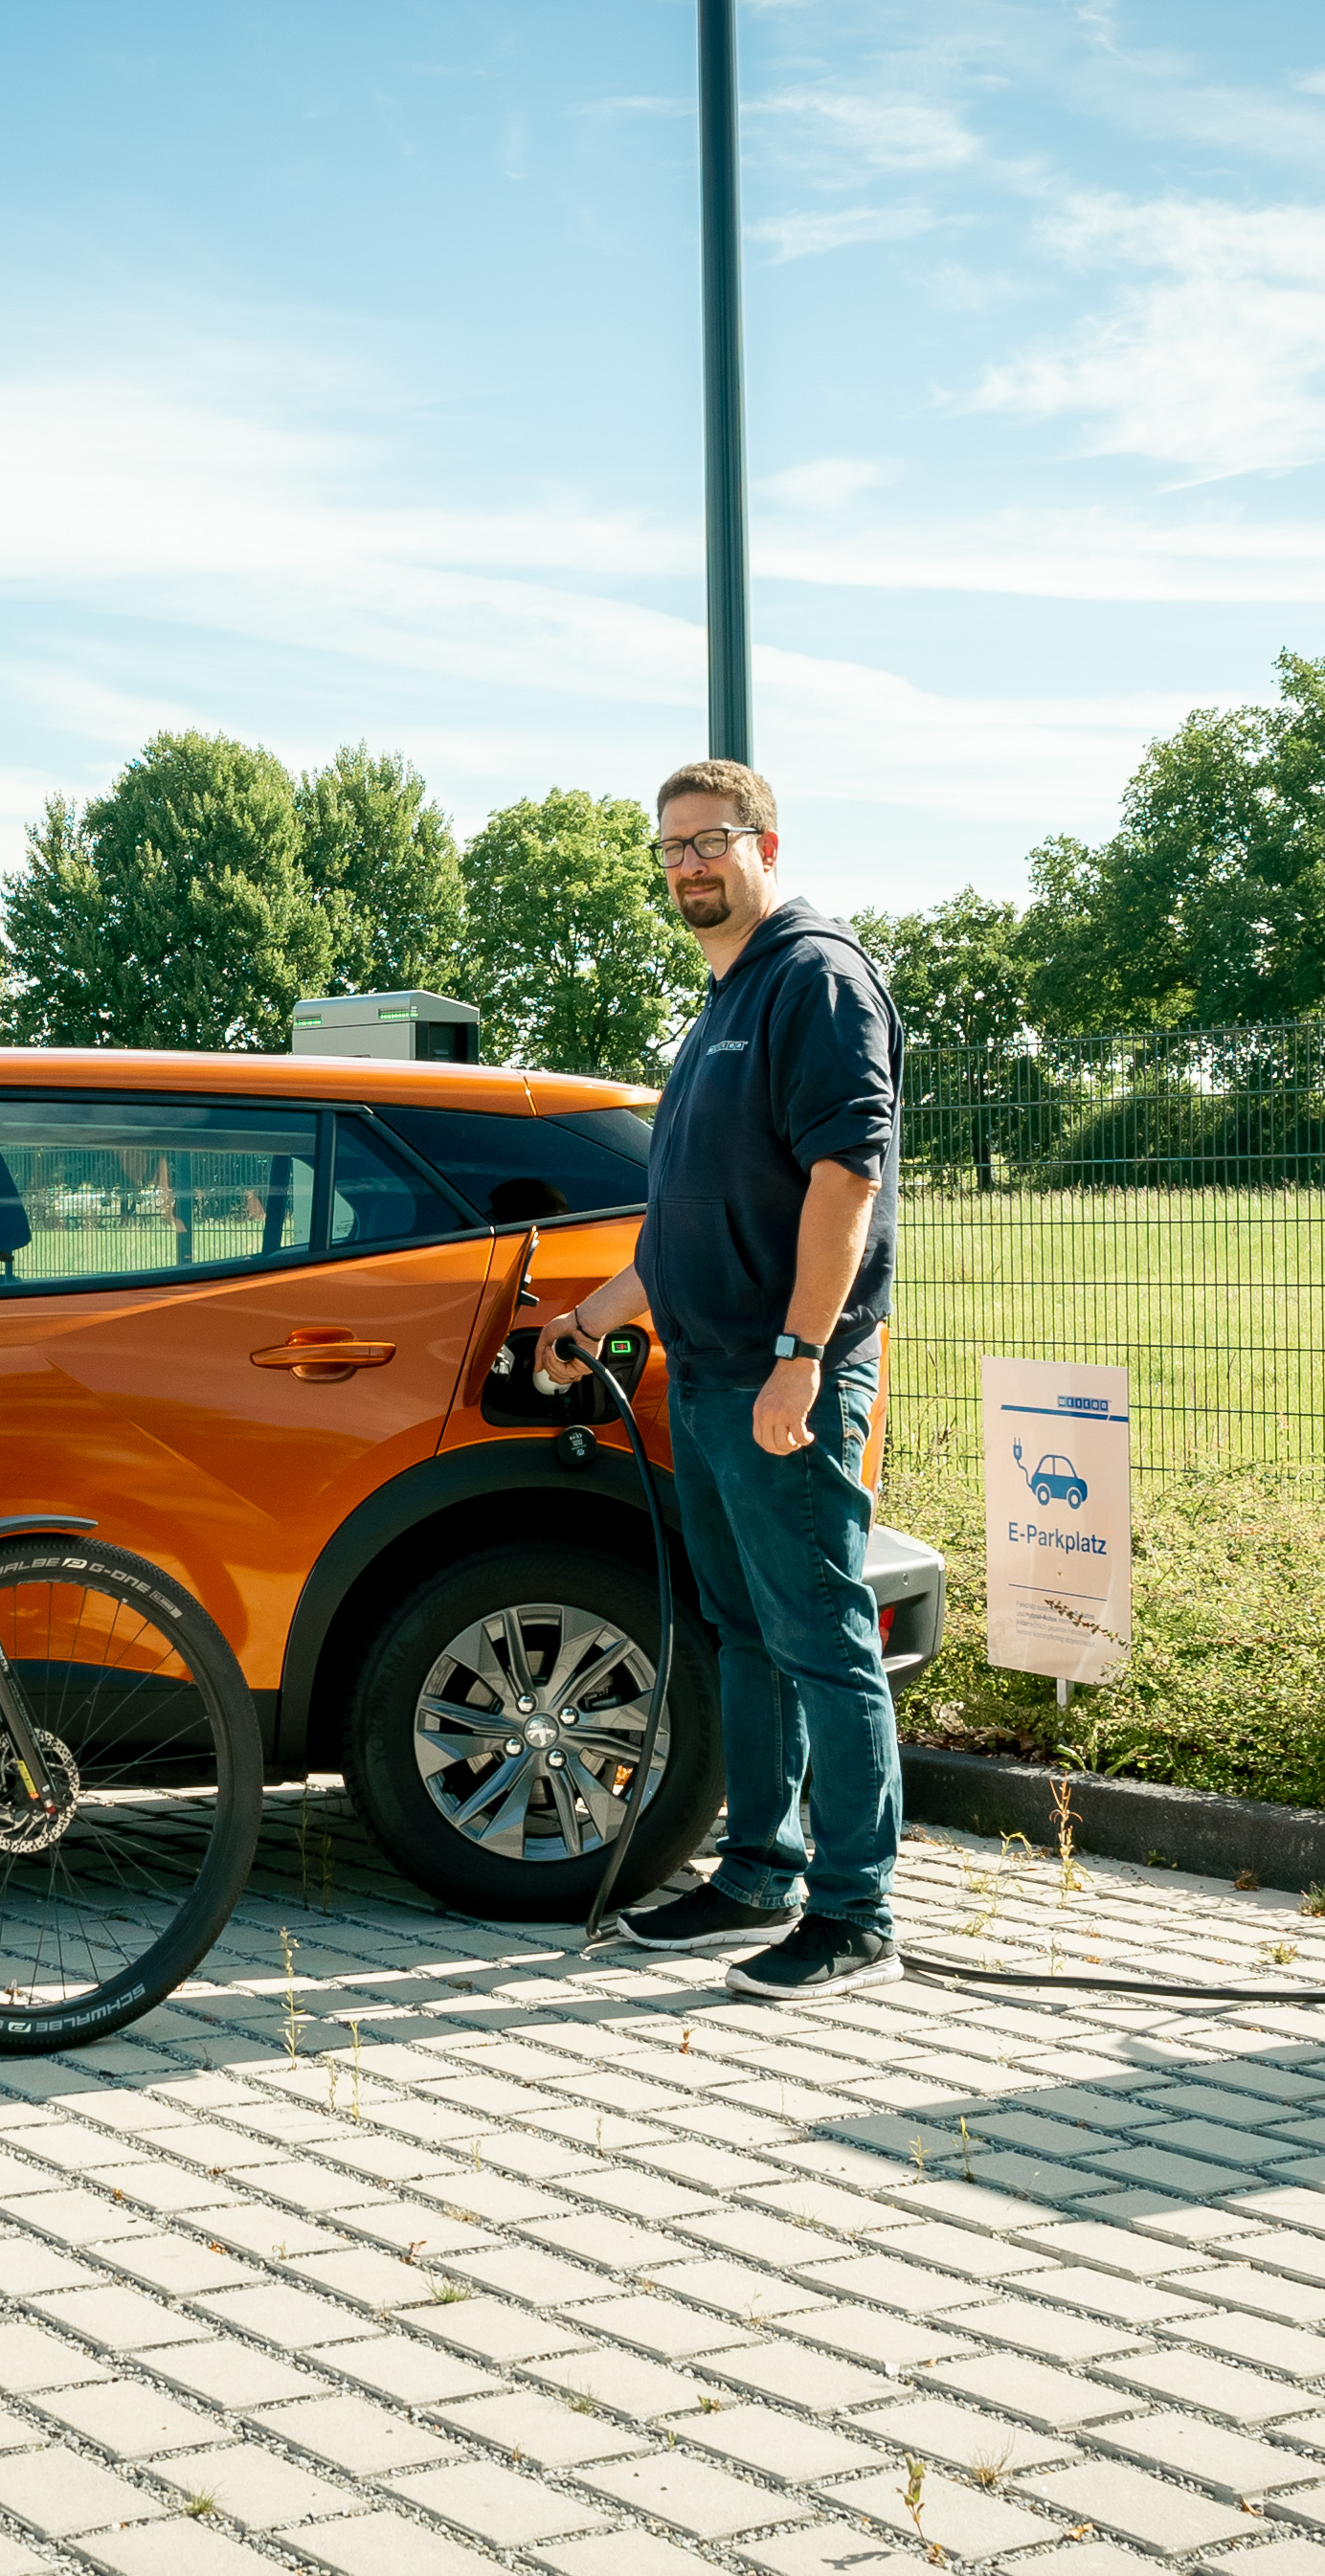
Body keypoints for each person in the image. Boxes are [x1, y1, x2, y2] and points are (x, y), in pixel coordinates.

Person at [544, 757, 908, 2000]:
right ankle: (757, 1870)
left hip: (779, 1372)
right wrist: (595, 1315)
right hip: (701, 1374)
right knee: (744, 1635)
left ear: (768, 844)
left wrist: (801, 1359)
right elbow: (684, 1214)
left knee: (819, 1634)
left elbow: (843, 1181)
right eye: (673, 848)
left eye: (712, 840)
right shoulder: (718, 1004)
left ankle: (856, 1913)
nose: (690, 864)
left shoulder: (815, 978)